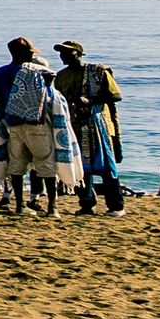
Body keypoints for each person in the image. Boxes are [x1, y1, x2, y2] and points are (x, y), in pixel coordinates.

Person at [0, 36, 65, 214]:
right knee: (46, 164)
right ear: (25, 53)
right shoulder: (38, 71)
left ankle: (20, 206)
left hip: (12, 125)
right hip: (37, 125)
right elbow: (51, 96)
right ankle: (52, 208)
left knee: (16, 166)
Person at [54, 40, 126, 213]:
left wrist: (91, 101)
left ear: (78, 54)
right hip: (74, 126)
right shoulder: (61, 76)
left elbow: (115, 96)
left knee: (107, 167)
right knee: (80, 168)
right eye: (62, 53)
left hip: (98, 126)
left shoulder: (98, 71)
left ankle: (116, 206)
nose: (63, 56)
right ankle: (86, 204)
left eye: (68, 52)